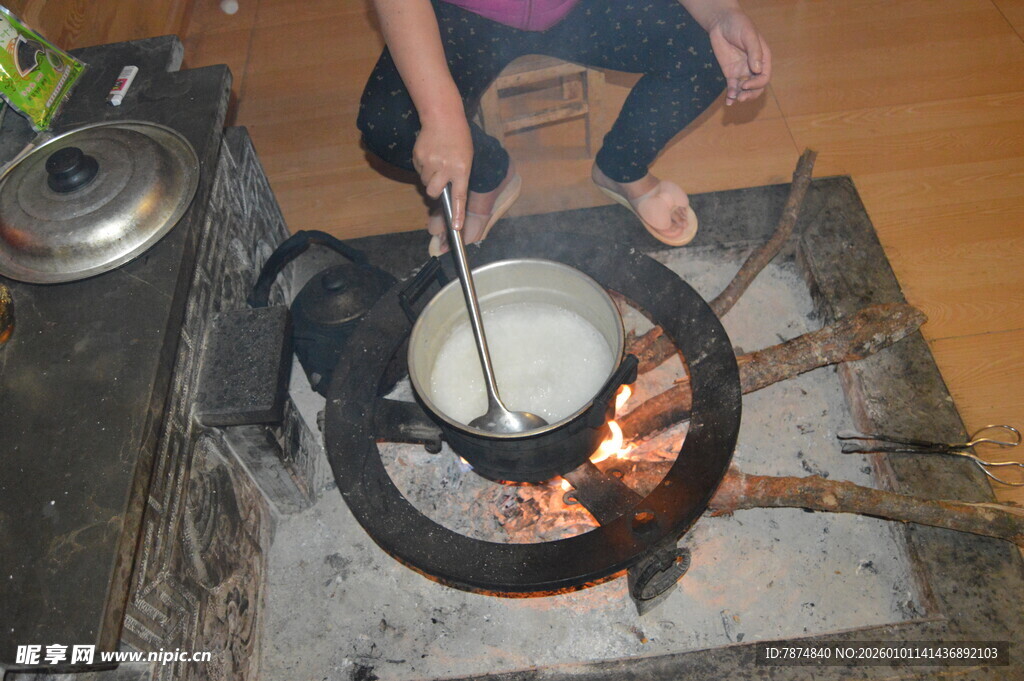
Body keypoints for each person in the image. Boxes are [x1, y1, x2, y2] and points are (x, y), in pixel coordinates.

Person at [357, 0, 771, 254]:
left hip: (581, 7)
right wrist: (441, 114)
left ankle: (621, 167)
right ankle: (490, 175)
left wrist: (721, 12)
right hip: (462, 12)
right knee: (389, 126)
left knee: (709, 53)